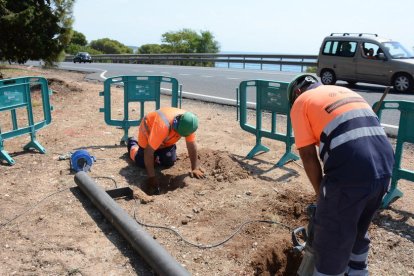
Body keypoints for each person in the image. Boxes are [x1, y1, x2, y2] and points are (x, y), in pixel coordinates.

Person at [288, 75, 394, 276]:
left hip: (351, 171)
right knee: (357, 229)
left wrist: (322, 196)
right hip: (384, 166)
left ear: (297, 93)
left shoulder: (301, 102)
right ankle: (357, 272)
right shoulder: (345, 92)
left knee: (332, 241)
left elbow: (308, 156)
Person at [127, 107, 205, 194]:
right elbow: (148, 152)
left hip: (165, 140)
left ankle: (158, 153)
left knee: (169, 161)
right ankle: (132, 144)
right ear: (176, 123)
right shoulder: (162, 126)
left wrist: (194, 168)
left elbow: (191, 145)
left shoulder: (189, 123)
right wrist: (152, 177)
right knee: (142, 162)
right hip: (148, 134)